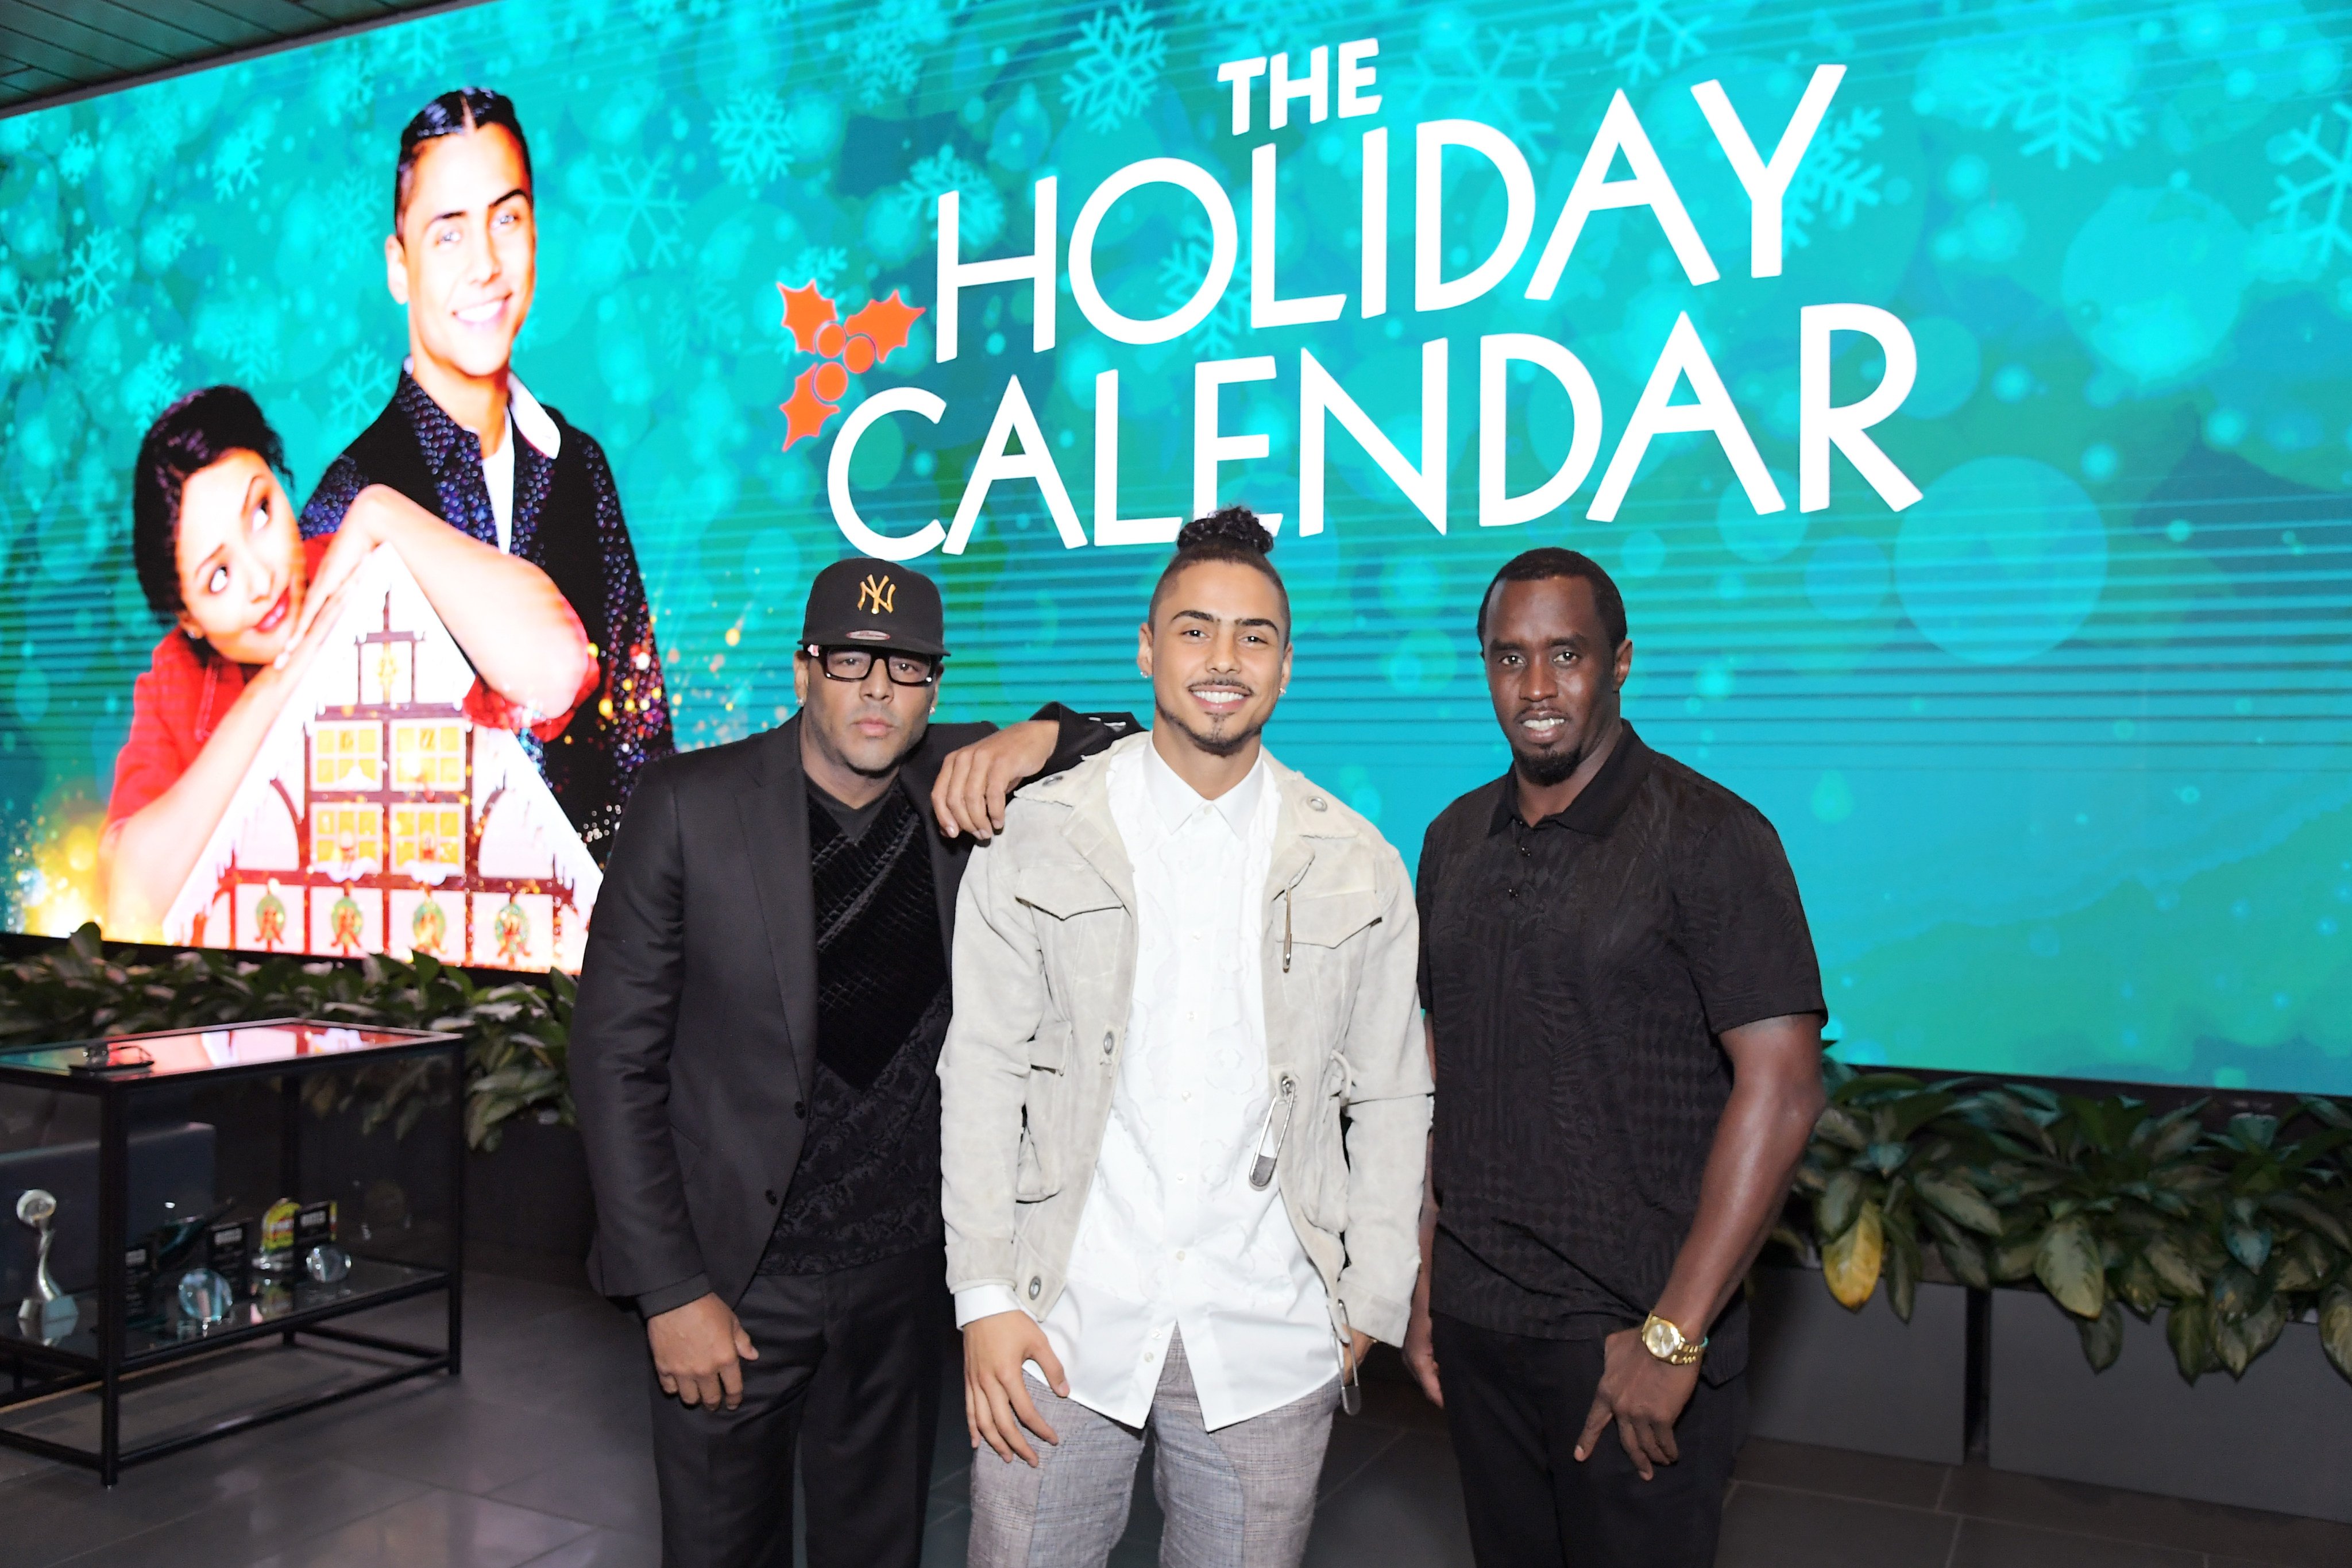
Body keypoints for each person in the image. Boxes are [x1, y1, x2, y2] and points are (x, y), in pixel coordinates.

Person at [569, 554, 1135, 1568]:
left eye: (908, 668)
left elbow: (1135, 741)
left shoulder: (965, 783)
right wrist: (667, 1291)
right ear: (802, 672)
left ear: (935, 685)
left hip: (899, 1279)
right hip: (733, 1286)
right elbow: (614, 1062)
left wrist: (1034, 735)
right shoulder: (689, 805)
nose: (878, 689)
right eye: (851, 662)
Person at [941, 508, 1431, 1568]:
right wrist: (982, 1298)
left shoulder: (1358, 862)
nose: (1224, 659)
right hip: (1057, 1318)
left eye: (1254, 636)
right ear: (1147, 648)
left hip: (1268, 1332)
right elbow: (980, 1069)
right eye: (1196, 629)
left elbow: (1392, 1094)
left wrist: (1373, 1294)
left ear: (1288, 667)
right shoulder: (1039, 836)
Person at [1401, 547, 1828, 1567]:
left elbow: (1785, 1091)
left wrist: (1675, 1338)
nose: (1536, 689)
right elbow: (1440, 1075)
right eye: (1509, 658)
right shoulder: (1454, 839)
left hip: (1629, 1341)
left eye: (1566, 656)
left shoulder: (1711, 834)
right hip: (1480, 1324)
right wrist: (1426, 1280)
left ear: (1622, 661)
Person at [300, 87, 666, 863]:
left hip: (594, 949)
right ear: (398, 266)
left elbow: (642, 743)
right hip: (416, 964)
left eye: (507, 218)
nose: (487, 266)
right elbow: (312, 776)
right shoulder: (352, 491)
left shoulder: (580, 464)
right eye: (448, 235)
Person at [98, 385, 593, 940]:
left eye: (260, 511)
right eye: (219, 576)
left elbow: (556, 674)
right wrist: (281, 683)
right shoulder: (176, 681)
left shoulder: (373, 557)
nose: (262, 581)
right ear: (188, 618)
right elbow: (132, 899)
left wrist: (378, 513)